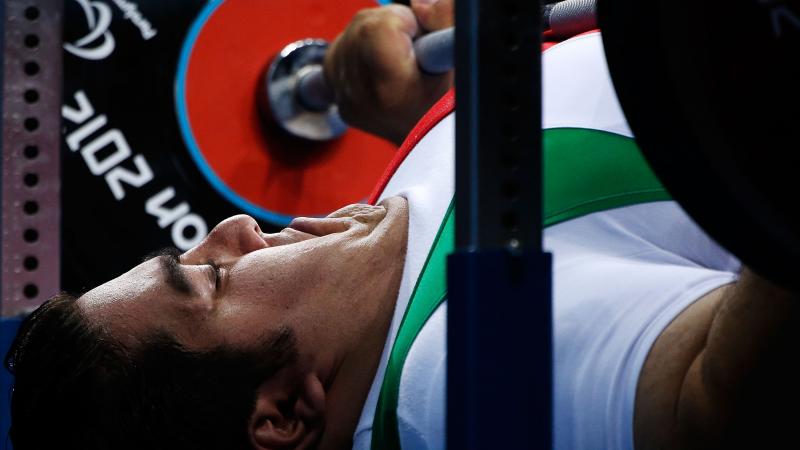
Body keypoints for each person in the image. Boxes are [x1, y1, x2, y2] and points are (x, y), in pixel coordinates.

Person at [5, 1, 799, 450]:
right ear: (286, 412)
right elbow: (719, 408)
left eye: (194, 249)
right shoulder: (460, 384)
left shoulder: (400, 259)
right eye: (212, 279)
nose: (235, 226)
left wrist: (430, 106)